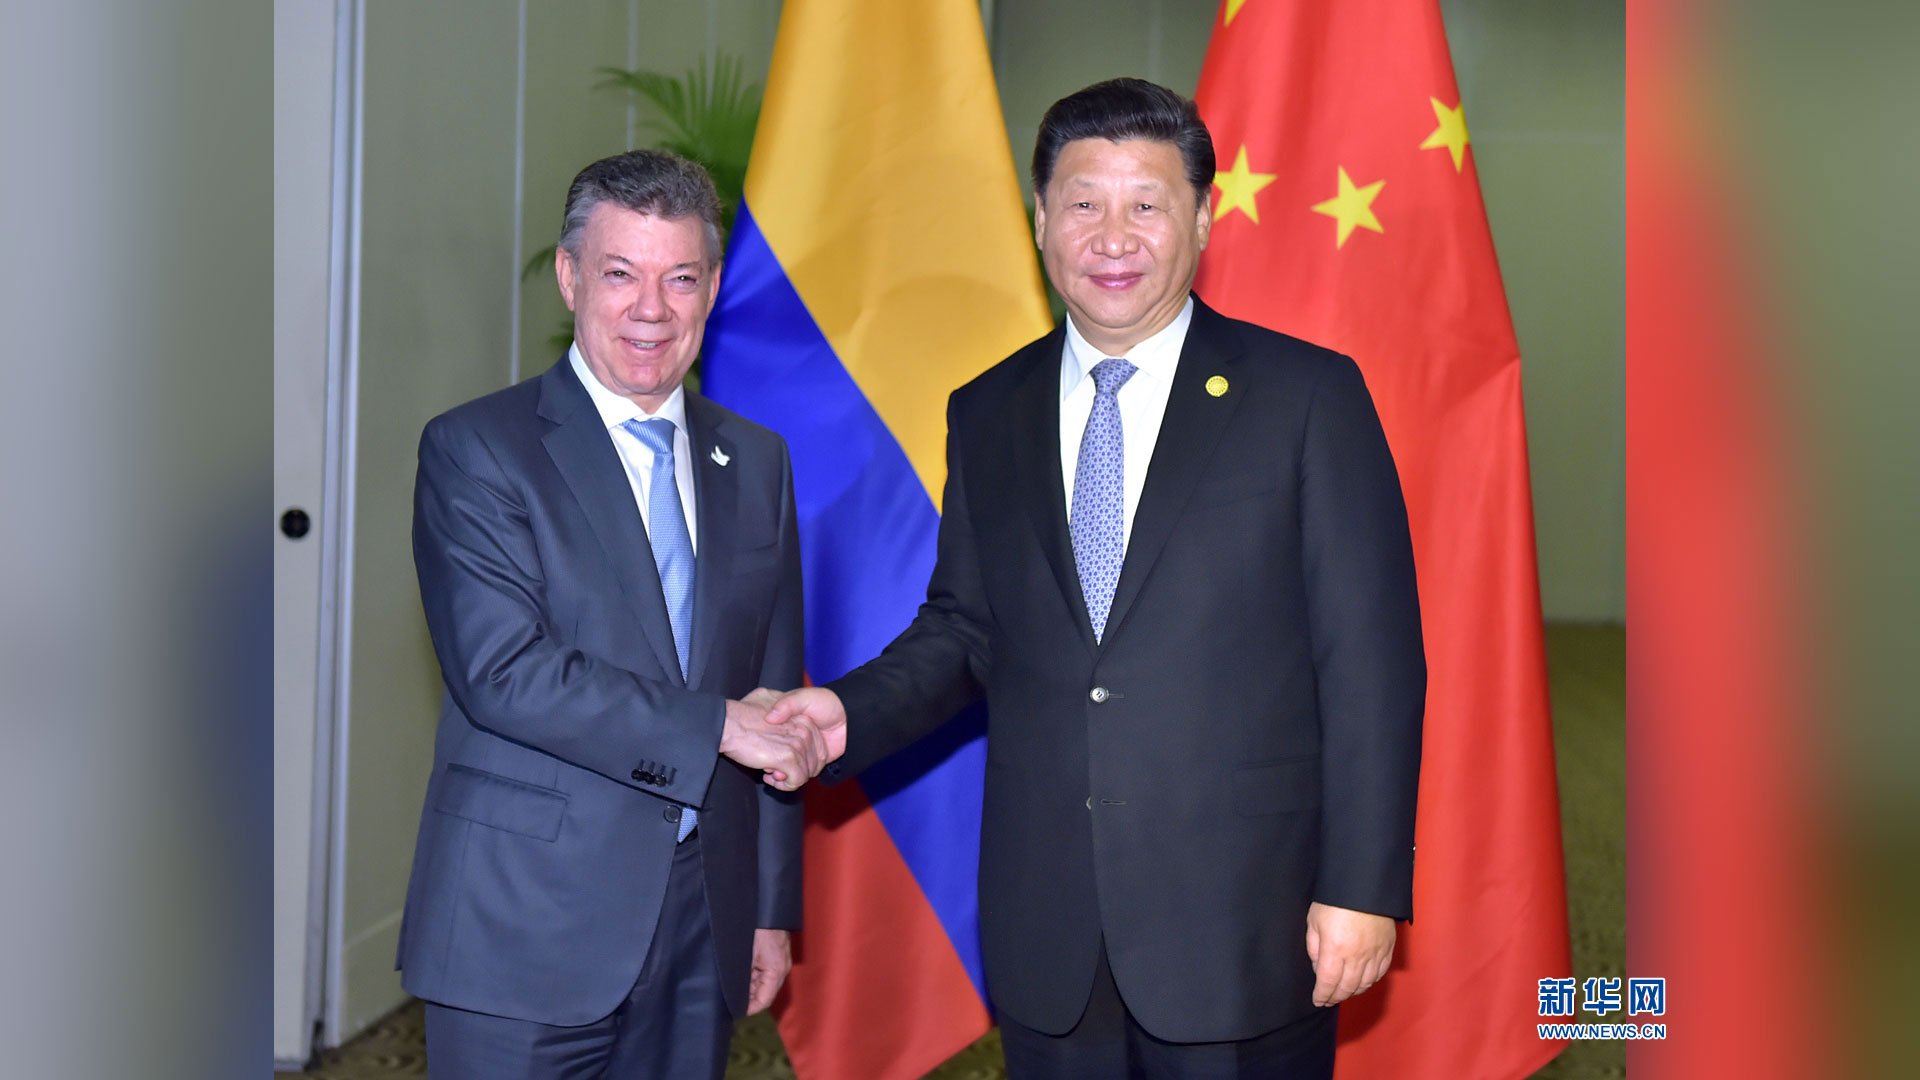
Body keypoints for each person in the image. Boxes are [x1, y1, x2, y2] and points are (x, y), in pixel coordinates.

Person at [767, 79, 1426, 1079]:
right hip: (1051, 928)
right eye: (1083, 203)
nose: (1113, 238)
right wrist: (840, 716)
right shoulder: (988, 410)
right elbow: (967, 631)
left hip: (1247, 920)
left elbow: (1371, 663)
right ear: (1041, 220)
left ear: (1201, 219)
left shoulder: (1306, 396)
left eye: (1146, 204)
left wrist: (1362, 887)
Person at [398, 149, 827, 1080]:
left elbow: (773, 688)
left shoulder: (757, 460)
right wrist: (718, 726)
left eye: (681, 278)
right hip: (523, 924)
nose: (651, 310)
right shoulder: (479, 450)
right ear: (570, 278)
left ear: (713, 287)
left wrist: (767, 905)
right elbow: (505, 674)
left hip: (700, 925)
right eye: (621, 273)